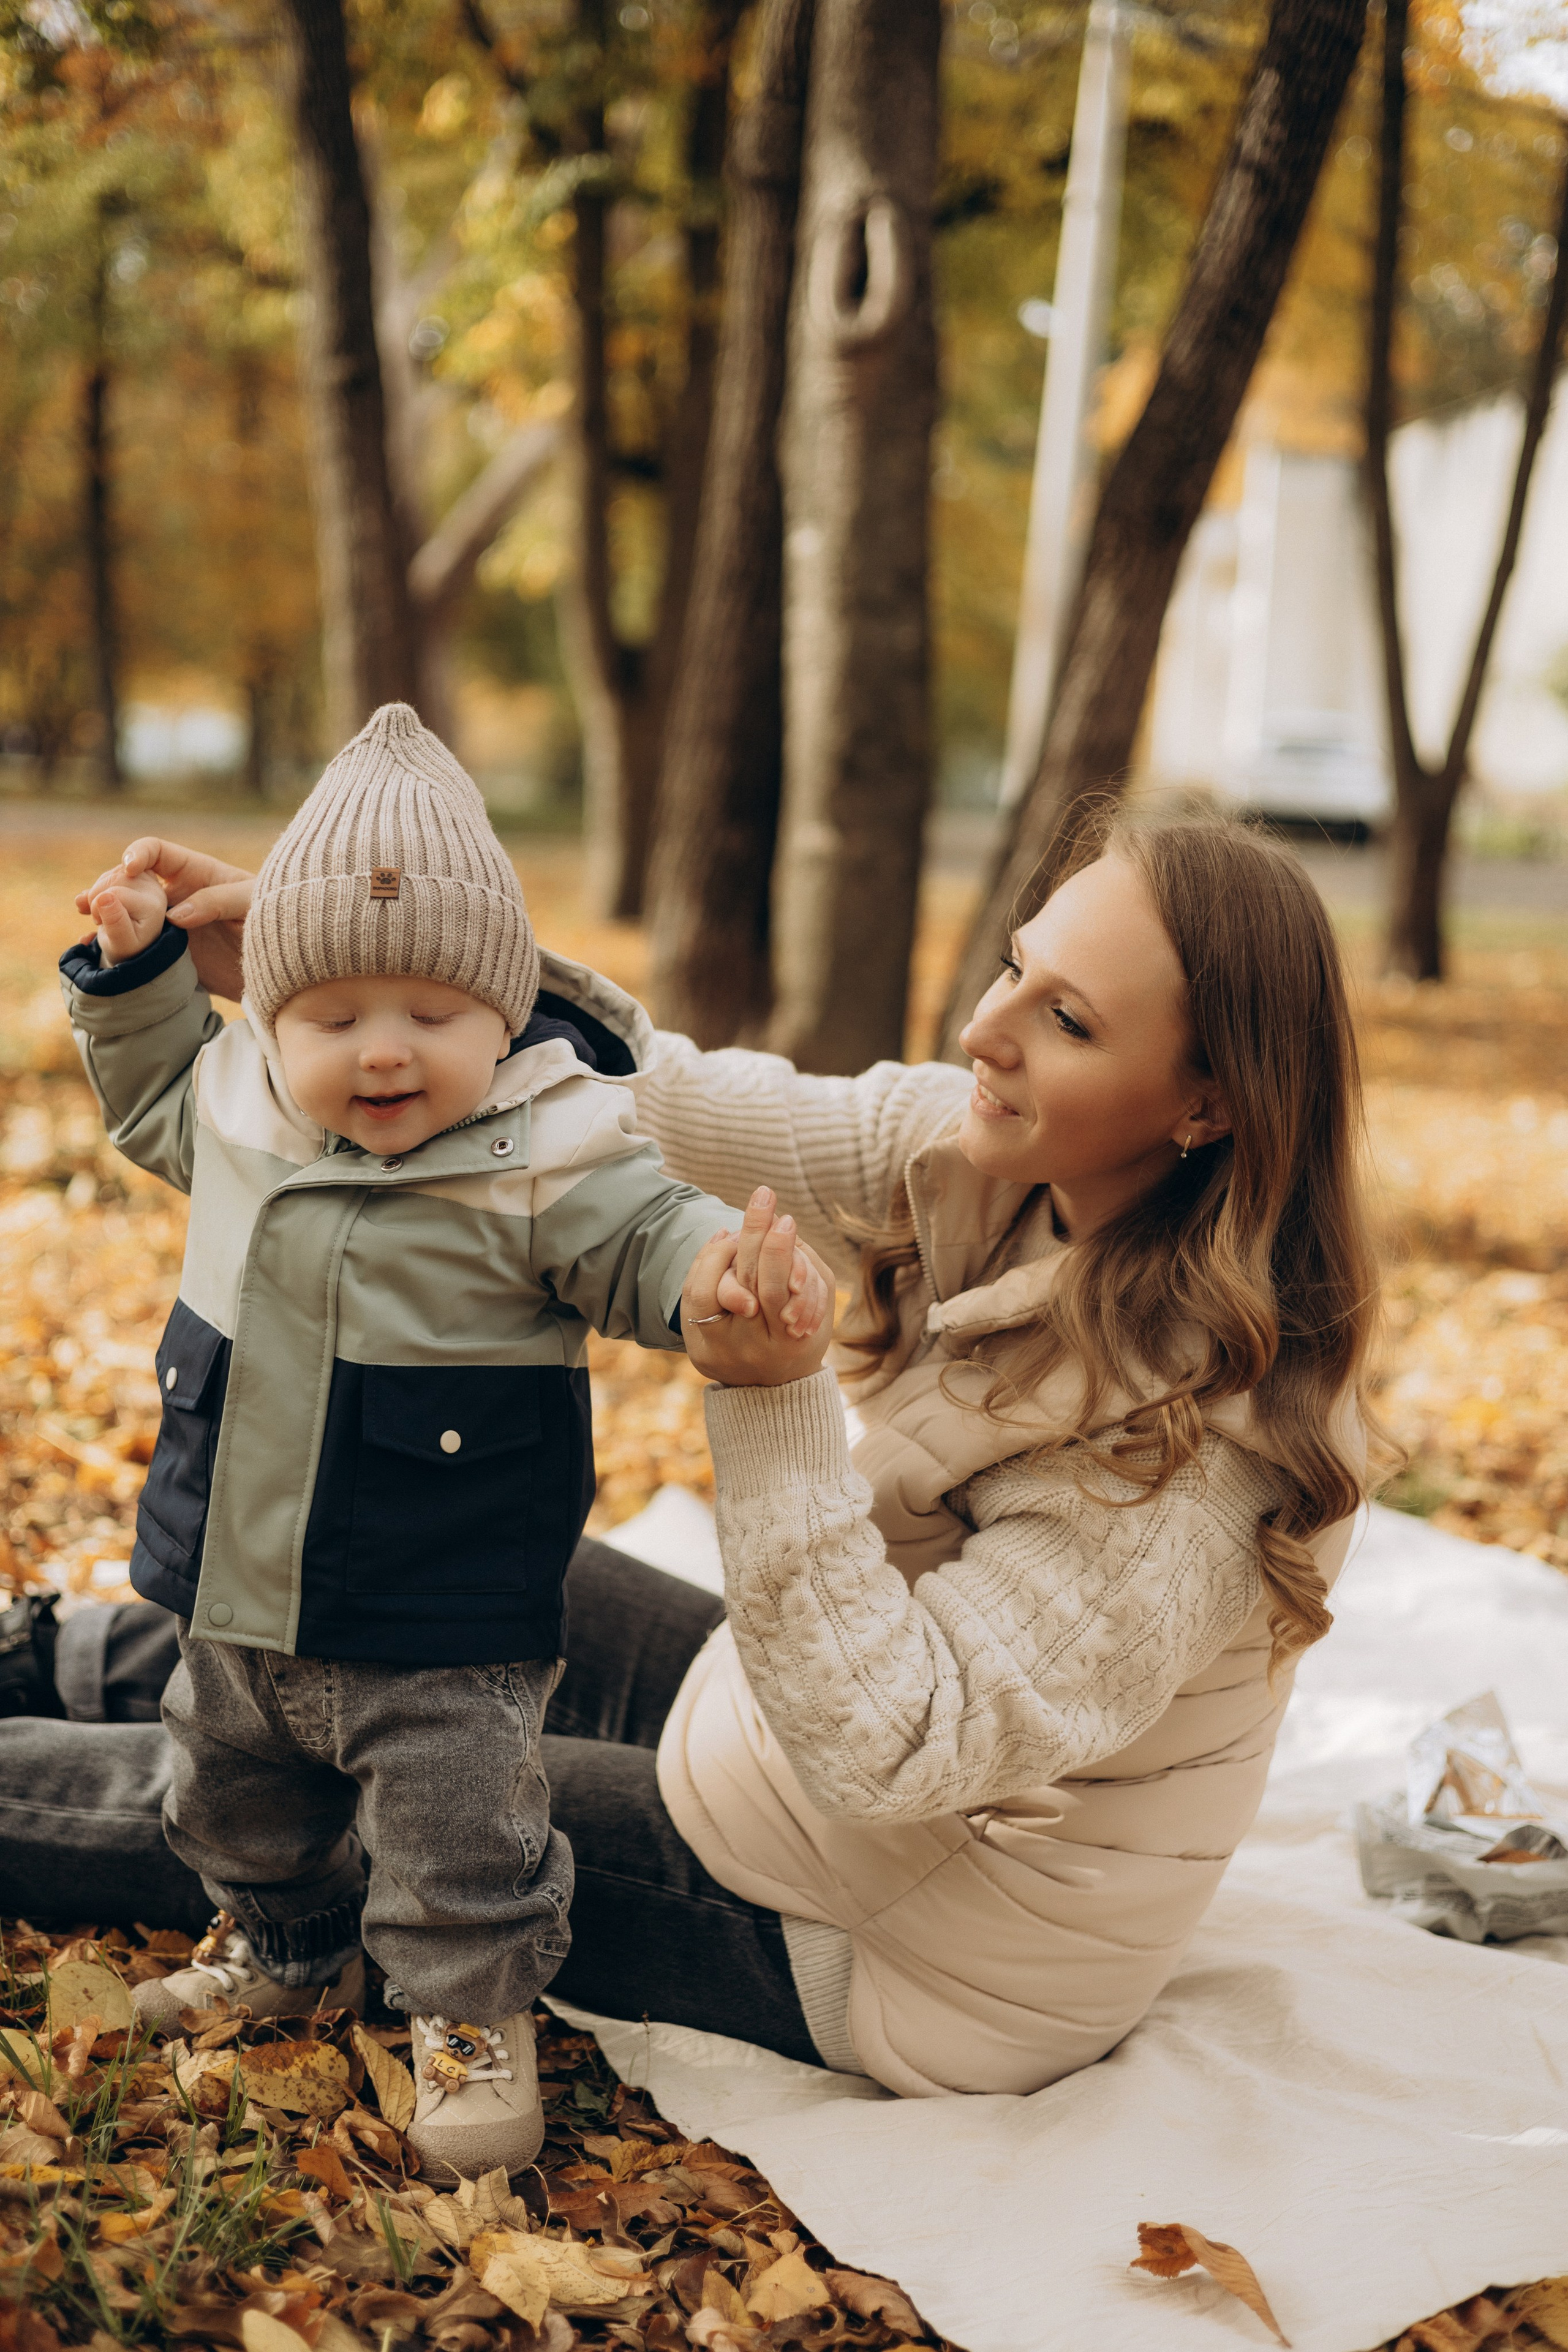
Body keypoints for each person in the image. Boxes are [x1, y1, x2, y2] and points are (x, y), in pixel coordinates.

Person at [0, 813, 1376, 2104]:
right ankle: (43, 1647)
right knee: (399, 1568)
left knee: (402, 1812)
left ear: (1205, 1107)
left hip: (902, 1933)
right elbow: (658, 1102)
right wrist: (382, 968)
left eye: (1062, 1019)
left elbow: (893, 1752)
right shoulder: (999, 1154)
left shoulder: (1192, 1464)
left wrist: (770, 1405)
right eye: (1016, 966)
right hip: (797, 1725)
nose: (983, 1028)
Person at [47, 703, 826, 2179]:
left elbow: (646, 1233)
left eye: (435, 1015)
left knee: (464, 1831)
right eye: (334, 1017)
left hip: (445, 1611)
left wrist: (720, 1270)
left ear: (507, 1014)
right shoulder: (239, 1102)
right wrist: (142, 970)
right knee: (226, 1787)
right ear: (275, 1015)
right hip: (243, 1582)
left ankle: (469, 2017)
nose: (383, 1053)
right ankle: (283, 1947)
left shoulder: (548, 1149)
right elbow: (151, 1094)